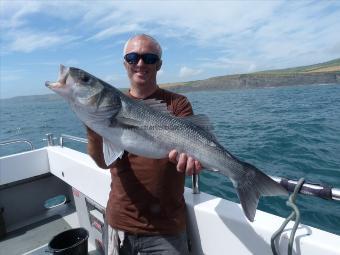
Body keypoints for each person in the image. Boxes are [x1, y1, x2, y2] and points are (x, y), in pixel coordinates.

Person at [87, 34, 202, 255]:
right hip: (119, 224)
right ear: (125, 64)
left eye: (149, 58)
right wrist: (93, 127)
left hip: (166, 229)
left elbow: (194, 153)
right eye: (133, 57)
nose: (140, 64)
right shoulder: (110, 106)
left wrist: (194, 163)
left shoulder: (177, 104)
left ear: (159, 64)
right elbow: (103, 162)